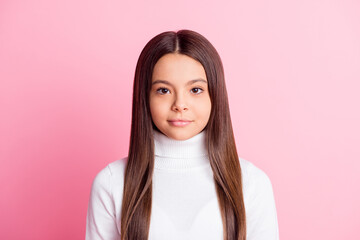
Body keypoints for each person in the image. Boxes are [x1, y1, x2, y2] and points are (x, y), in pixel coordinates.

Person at [85, 29, 279, 240]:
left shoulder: (251, 183)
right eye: (164, 90)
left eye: (195, 90)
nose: (180, 105)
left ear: (215, 96)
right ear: (145, 97)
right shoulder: (111, 183)